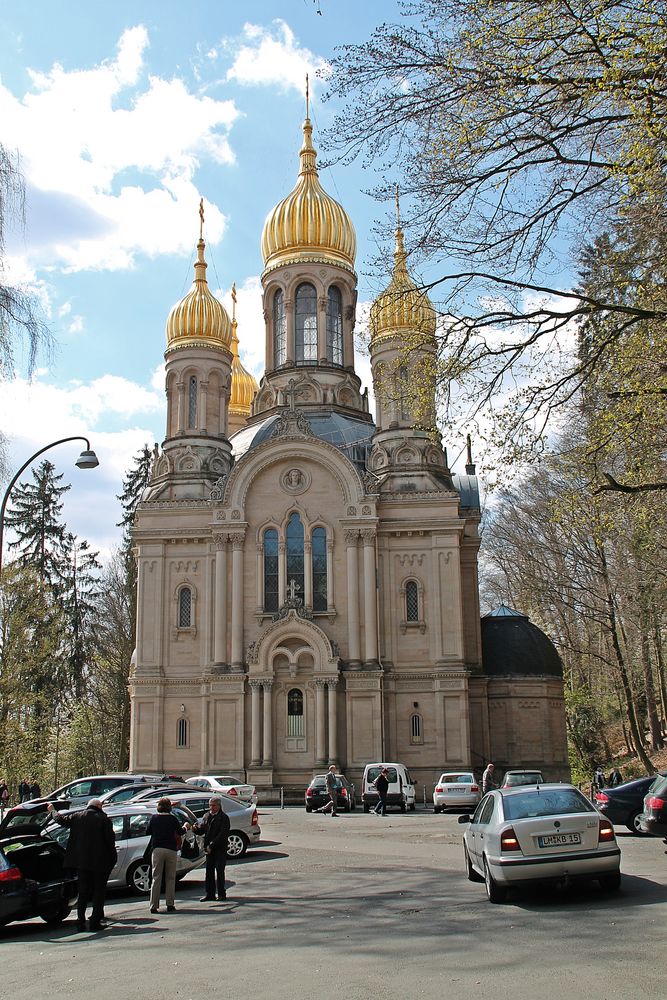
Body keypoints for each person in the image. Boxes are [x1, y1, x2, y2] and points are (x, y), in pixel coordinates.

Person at [47, 798, 117, 931]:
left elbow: (61, 820)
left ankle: (80, 920)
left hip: (81, 863)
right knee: (98, 891)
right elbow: (110, 842)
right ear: (99, 806)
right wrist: (112, 859)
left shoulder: (77, 816)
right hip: (99, 862)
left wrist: (52, 811)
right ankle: (95, 921)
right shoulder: (104, 820)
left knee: (83, 892)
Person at [147, 797, 186, 914]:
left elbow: (147, 831)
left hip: (157, 849)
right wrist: (185, 827)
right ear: (169, 807)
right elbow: (180, 832)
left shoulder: (154, 818)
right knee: (170, 877)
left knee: (156, 877)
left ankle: (153, 905)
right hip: (171, 849)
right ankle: (170, 904)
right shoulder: (172, 819)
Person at [191, 796, 230, 902]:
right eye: (210, 805)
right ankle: (210, 894)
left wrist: (211, 846)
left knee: (220, 871)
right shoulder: (207, 816)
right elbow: (203, 829)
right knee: (209, 872)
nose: (211, 808)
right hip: (208, 849)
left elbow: (222, 834)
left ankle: (221, 893)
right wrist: (195, 829)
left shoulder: (224, 817)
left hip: (219, 848)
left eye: (213, 805)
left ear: (219, 806)